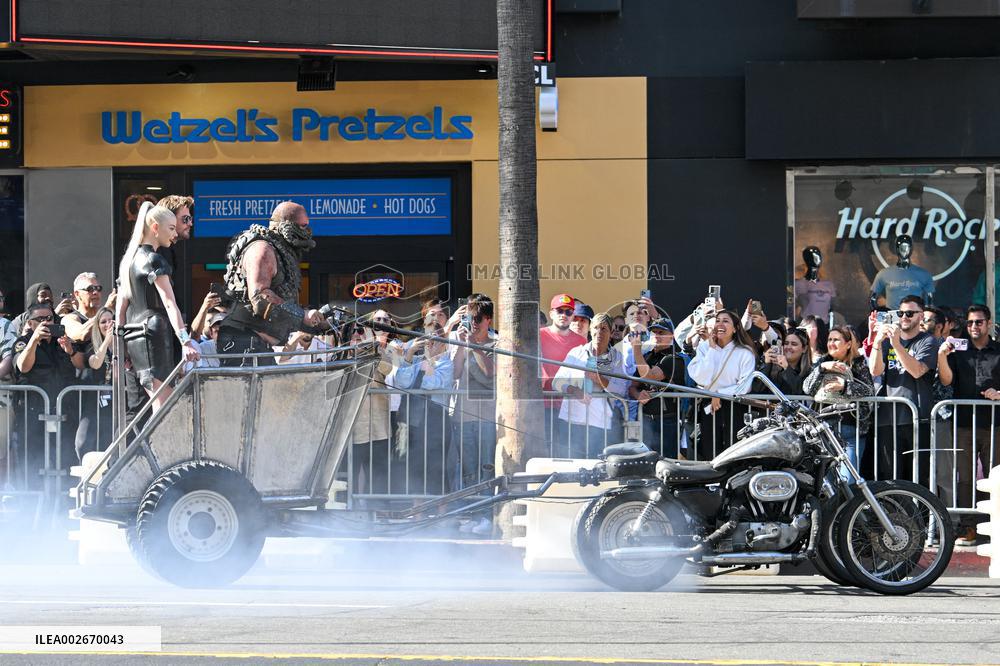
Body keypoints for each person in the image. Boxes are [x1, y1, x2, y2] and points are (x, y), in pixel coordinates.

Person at [116, 202, 200, 412]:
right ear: (155, 227)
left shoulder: (129, 261)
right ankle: (151, 446)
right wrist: (185, 340)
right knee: (164, 408)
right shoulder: (153, 260)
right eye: (171, 228)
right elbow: (169, 303)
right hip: (153, 335)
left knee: (161, 405)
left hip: (136, 337)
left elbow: (121, 309)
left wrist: (121, 347)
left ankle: (148, 445)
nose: (175, 234)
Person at [218, 202, 324, 366]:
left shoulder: (277, 250)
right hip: (243, 340)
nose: (307, 232)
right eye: (303, 226)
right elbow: (260, 298)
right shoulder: (263, 249)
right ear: (286, 225)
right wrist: (301, 315)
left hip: (258, 343)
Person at [937, 304, 1000, 546]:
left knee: (994, 478)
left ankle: (992, 526)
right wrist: (942, 355)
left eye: (979, 322)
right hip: (964, 424)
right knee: (964, 479)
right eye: (971, 322)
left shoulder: (999, 350)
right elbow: (947, 380)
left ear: (988, 323)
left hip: (995, 424)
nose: (974, 327)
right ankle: (968, 527)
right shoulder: (957, 349)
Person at [11, 302, 84, 486]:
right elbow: (23, 366)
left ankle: (64, 504)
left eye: (49, 318)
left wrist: (71, 350)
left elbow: (82, 364)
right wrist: (34, 340)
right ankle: (31, 507)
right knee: (31, 466)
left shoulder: (61, 341)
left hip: (64, 413)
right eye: (40, 319)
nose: (46, 322)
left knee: (66, 461)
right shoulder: (23, 342)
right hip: (32, 414)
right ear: (30, 322)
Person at [868, 295, 938, 483]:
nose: (904, 317)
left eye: (909, 313)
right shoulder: (886, 341)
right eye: (900, 313)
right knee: (890, 476)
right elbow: (875, 370)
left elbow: (917, 371)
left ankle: (920, 513)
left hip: (916, 418)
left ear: (920, 316)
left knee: (917, 476)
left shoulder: (928, 341)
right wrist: (876, 342)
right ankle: (892, 513)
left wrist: (897, 345)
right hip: (887, 419)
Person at [552, 313, 629, 459]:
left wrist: (600, 379)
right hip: (571, 420)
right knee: (571, 465)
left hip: (599, 423)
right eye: (595, 328)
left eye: (604, 329)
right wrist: (573, 390)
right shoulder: (576, 353)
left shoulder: (617, 358)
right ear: (590, 330)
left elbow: (621, 390)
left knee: (596, 467)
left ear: (611, 332)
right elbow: (557, 381)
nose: (598, 332)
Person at [804, 326, 875, 480]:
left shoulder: (858, 363)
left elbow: (869, 392)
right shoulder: (823, 362)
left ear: (848, 344)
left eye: (836, 340)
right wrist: (822, 369)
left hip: (851, 430)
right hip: (824, 430)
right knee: (826, 480)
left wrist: (845, 386)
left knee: (848, 479)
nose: (831, 343)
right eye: (830, 339)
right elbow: (807, 388)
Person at [686, 309, 757, 461]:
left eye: (726, 321)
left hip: (734, 406)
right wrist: (712, 349)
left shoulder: (745, 352)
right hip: (709, 406)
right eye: (718, 320)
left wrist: (719, 394)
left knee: (734, 450)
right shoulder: (705, 347)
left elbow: (745, 386)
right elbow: (701, 377)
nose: (720, 324)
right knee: (710, 450)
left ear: (735, 328)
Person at [393, 322, 453, 495]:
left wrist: (430, 361)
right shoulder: (415, 360)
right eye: (426, 340)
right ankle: (418, 512)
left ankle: (441, 511)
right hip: (414, 418)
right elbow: (402, 382)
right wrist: (410, 354)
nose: (430, 344)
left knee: (437, 467)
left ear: (442, 342)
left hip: (436, 420)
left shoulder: (446, 363)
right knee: (415, 467)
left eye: (434, 339)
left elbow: (431, 384)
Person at [449, 296, 497, 492]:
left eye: (477, 319)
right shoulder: (461, 342)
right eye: (469, 319)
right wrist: (462, 344)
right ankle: (472, 512)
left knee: (487, 468)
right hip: (463, 417)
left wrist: (474, 345)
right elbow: (455, 373)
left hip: (488, 417)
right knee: (468, 469)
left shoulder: (497, 343)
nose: (473, 324)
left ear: (488, 320)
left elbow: (490, 372)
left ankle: (485, 513)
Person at [631, 318, 686, 457]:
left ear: (671, 336)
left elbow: (649, 376)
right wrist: (638, 395)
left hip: (667, 421)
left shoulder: (674, 358)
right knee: (645, 462)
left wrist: (636, 349)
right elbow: (632, 386)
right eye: (654, 332)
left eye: (661, 332)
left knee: (666, 463)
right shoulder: (647, 357)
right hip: (646, 419)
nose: (656, 335)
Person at [539, 294, 587, 446]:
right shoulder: (539, 335)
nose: (564, 315)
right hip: (544, 403)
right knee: (547, 449)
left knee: (569, 451)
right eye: (560, 311)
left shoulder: (582, 341)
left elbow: (586, 372)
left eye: (568, 312)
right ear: (551, 313)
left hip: (570, 405)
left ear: (573, 315)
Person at [74, 307, 115, 459]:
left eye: (111, 321)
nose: (107, 325)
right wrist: (107, 342)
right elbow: (95, 363)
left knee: (109, 443)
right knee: (83, 443)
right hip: (95, 403)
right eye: (103, 322)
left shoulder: (125, 345)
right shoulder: (93, 346)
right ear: (97, 326)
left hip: (118, 403)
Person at [61, 272, 116, 345]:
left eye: (98, 288)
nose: (95, 292)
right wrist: (106, 308)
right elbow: (82, 334)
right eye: (90, 289)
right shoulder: (69, 319)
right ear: (77, 294)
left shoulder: (111, 316)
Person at [759, 328, 811, 396]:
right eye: (786, 343)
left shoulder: (809, 371)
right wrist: (767, 365)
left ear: (804, 349)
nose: (788, 347)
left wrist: (787, 368)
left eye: (794, 344)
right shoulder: (772, 366)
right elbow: (757, 389)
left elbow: (799, 390)